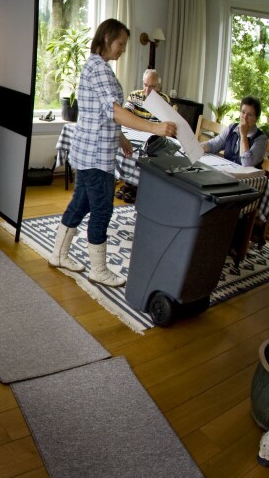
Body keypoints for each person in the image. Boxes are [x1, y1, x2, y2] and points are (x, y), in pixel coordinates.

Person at [48, 18, 176, 287]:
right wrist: (156, 127)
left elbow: (101, 113)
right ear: (107, 39)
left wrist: (120, 138)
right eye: (121, 43)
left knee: (81, 203)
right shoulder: (100, 70)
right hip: (96, 156)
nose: (123, 49)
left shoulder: (96, 67)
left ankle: (58, 254)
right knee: (103, 210)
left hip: (89, 152)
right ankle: (99, 269)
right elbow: (115, 111)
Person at [116, 69, 172, 202]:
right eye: (145, 85)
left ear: (158, 87)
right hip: (134, 135)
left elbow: (161, 125)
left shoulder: (163, 100)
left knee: (146, 152)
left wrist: (141, 125)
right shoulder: (134, 96)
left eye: (151, 86)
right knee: (127, 148)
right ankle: (128, 183)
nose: (147, 89)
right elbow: (126, 115)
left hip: (151, 139)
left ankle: (135, 186)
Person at [202, 96, 266, 168]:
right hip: (228, 173)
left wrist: (243, 134)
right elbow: (213, 145)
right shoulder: (232, 128)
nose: (245, 117)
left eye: (250, 115)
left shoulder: (261, 138)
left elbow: (247, 163)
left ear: (256, 119)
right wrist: (197, 148)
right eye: (243, 112)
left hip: (248, 178)